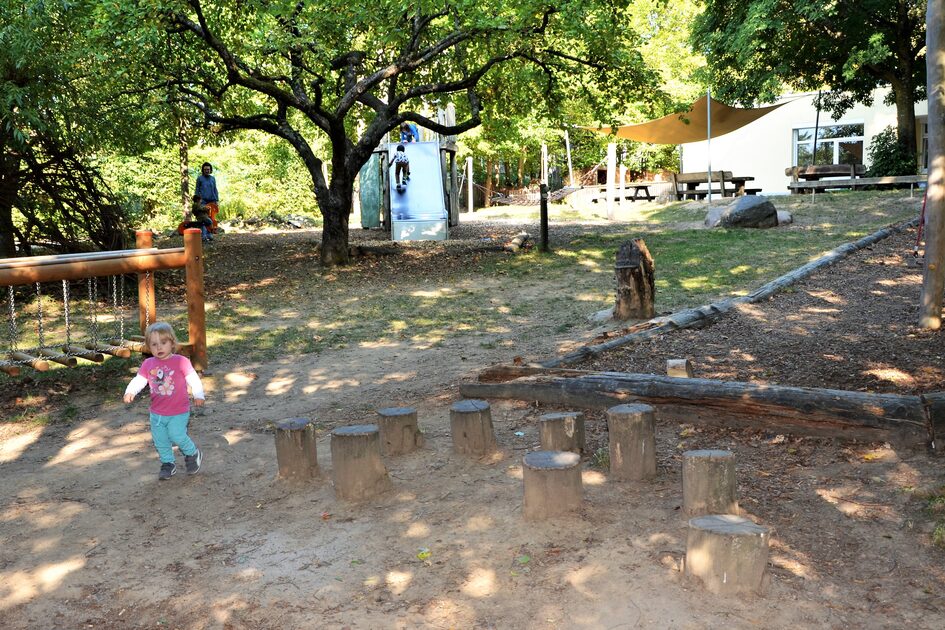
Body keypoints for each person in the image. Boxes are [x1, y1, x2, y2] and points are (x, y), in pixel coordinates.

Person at [123, 322, 204, 480]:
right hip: (157, 413)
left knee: (177, 435)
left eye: (163, 343)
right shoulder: (148, 364)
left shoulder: (181, 361)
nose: (159, 347)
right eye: (154, 344)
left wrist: (198, 394)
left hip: (178, 411)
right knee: (160, 440)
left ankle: (192, 453)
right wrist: (130, 391)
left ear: (172, 343)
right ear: (149, 347)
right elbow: (139, 380)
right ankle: (168, 464)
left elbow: (193, 378)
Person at [191, 161, 219, 241]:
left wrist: (216, 200)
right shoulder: (200, 179)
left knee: (211, 218)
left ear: (210, 170)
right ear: (203, 170)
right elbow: (197, 190)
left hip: (212, 200)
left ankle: (210, 234)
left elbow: (215, 189)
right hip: (202, 201)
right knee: (203, 219)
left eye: (208, 169)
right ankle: (203, 235)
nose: (207, 170)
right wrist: (196, 201)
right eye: (205, 169)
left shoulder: (213, 178)